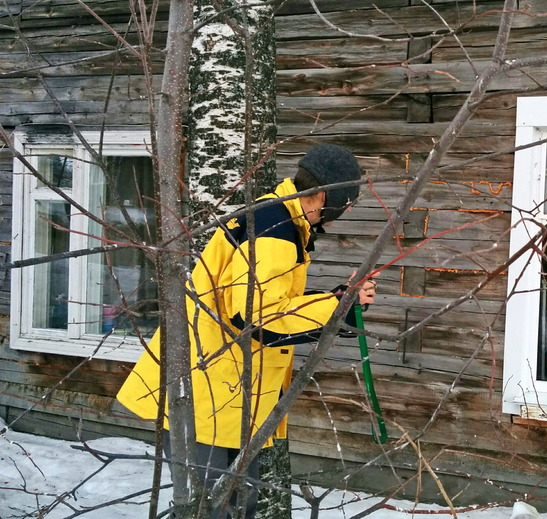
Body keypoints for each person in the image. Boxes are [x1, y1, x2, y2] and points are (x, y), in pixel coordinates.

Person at [116, 144, 377, 518]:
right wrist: (338, 309)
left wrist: (337, 301)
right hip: (208, 390)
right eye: (345, 202)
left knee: (237, 503)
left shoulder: (277, 217)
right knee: (210, 508)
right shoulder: (275, 229)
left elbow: (265, 298)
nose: (346, 211)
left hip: (224, 387)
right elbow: (258, 318)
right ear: (321, 195)